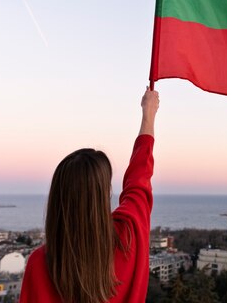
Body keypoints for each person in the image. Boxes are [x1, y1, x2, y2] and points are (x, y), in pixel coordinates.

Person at [20, 88, 160, 303]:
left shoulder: (40, 264)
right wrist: (148, 115)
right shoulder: (128, 237)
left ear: (58, 199)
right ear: (103, 195)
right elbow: (139, 181)